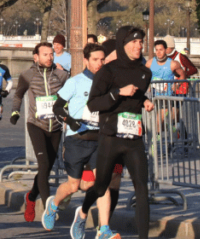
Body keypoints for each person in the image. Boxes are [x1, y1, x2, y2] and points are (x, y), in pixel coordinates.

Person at [69, 26, 155, 239]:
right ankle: (82, 212)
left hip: (133, 138)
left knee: (142, 189)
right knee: (100, 187)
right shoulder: (108, 70)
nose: (138, 46)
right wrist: (118, 92)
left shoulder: (145, 72)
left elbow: (137, 95)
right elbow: (94, 103)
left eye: (141, 42)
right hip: (110, 138)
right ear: (122, 44)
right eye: (134, 42)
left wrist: (144, 101)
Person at [45, 43, 117, 236]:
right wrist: (71, 121)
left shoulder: (109, 83)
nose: (100, 63)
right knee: (74, 186)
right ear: (86, 60)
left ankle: (104, 229)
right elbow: (58, 108)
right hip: (77, 139)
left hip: (99, 140)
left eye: (102, 60)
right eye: (95, 60)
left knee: (102, 184)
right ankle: (54, 204)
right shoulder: (75, 82)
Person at [10, 42, 68, 223]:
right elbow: (19, 94)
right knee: (44, 163)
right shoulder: (27, 75)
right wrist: (15, 112)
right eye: (45, 54)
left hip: (56, 127)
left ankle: (31, 197)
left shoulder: (62, 75)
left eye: (51, 54)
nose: (49, 57)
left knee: (47, 167)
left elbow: (70, 95)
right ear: (36, 57)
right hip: (36, 125)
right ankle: (49, 208)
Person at [147, 39, 186, 138]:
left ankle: (162, 139)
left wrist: (176, 85)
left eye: (161, 49)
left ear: (166, 50)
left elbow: (182, 75)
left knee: (167, 118)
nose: (158, 52)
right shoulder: (150, 63)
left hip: (169, 95)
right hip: (156, 95)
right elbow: (144, 76)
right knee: (160, 119)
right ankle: (162, 140)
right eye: (156, 50)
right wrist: (148, 87)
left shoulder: (173, 64)